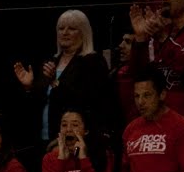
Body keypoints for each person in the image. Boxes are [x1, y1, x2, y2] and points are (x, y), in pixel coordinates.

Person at [13, 9, 114, 150]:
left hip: (74, 141)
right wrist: (30, 87)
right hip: (43, 139)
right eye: (61, 28)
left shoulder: (93, 61)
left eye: (71, 28)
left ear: (83, 33)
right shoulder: (51, 61)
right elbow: (41, 102)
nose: (64, 32)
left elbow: (86, 100)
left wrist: (56, 83)